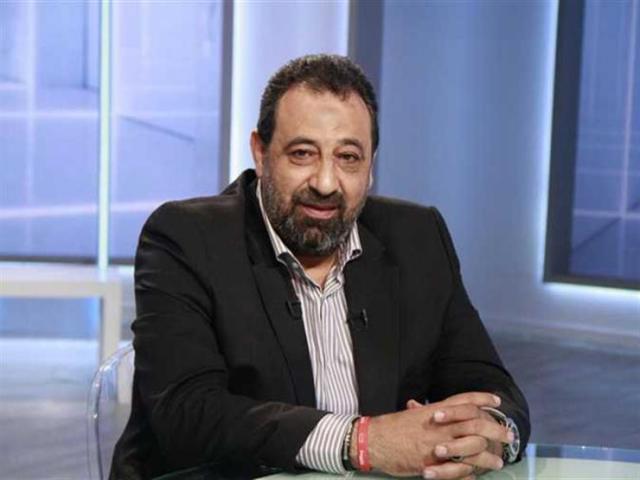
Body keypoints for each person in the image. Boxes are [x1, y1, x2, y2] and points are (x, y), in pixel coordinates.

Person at [111, 54, 530, 480]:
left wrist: (491, 434)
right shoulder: (187, 239)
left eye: (348, 157)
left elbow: (489, 385)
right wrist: (361, 442)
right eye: (302, 154)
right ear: (261, 153)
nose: (326, 183)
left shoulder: (417, 237)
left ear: (370, 166)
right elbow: (187, 412)